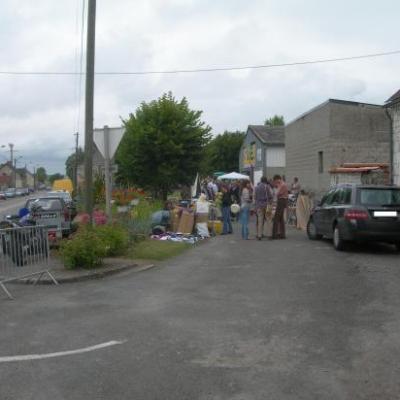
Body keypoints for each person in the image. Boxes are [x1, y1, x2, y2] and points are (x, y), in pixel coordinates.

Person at [271, 174, 288, 239]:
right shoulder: (282, 184)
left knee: (276, 218)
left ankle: (274, 235)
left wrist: (277, 187)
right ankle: (282, 234)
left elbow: (277, 193)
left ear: (278, 179)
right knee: (281, 219)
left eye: (275, 181)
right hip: (282, 201)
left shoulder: (282, 185)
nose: (275, 182)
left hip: (281, 200)